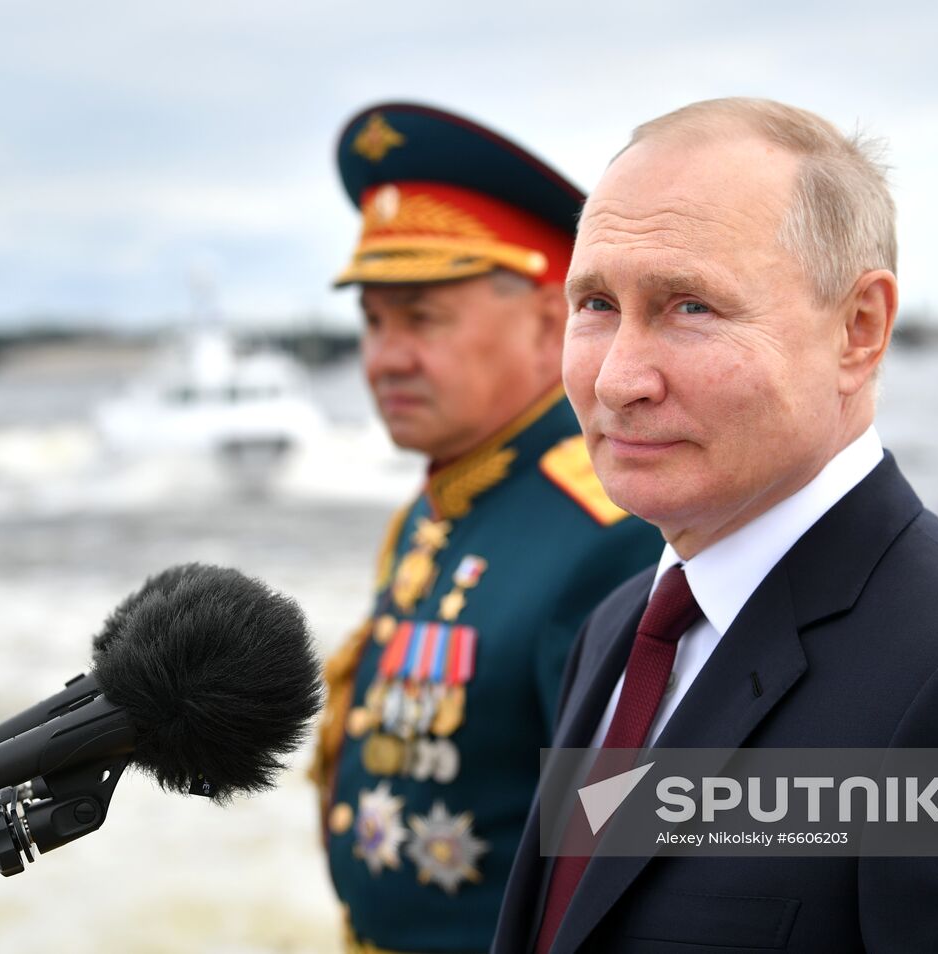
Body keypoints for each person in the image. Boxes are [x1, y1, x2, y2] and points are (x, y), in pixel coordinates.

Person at [493, 98, 938, 953]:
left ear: (859, 329)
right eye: (596, 303)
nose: (620, 378)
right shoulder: (622, 631)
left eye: (690, 307)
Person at [311, 102, 662, 954]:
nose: (385, 357)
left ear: (550, 325)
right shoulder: (434, 513)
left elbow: (621, 872)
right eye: (373, 320)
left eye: (422, 318)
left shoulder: (609, 534)